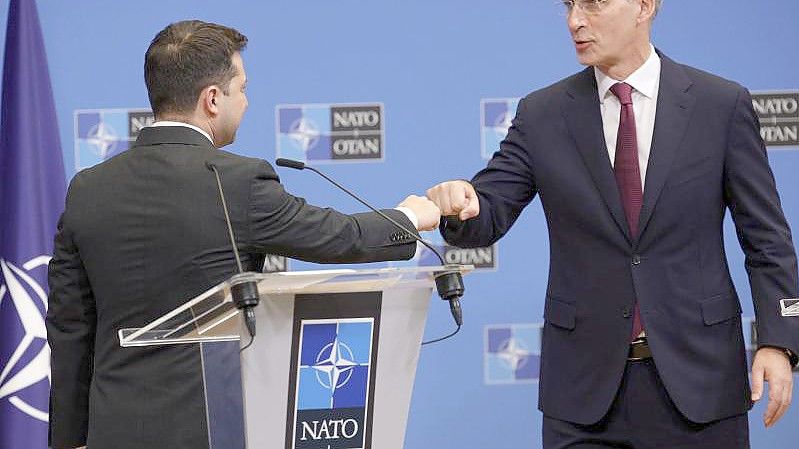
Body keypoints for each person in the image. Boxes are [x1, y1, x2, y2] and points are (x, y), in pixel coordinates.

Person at [46, 20, 440, 449]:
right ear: (212, 99)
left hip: (113, 430)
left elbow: (70, 327)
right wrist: (410, 216)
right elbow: (339, 236)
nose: (248, 103)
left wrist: (69, 438)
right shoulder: (238, 182)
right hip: (216, 428)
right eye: (243, 88)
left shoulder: (86, 188)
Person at [426, 1, 798, 447]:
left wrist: (779, 341)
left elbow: (766, 239)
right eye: (568, 5)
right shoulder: (542, 113)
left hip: (701, 383)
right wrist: (460, 204)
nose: (575, 21)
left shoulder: (720, 104)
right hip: (583, 395)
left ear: (644, 6)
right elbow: (487, 211)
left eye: (594, 4)